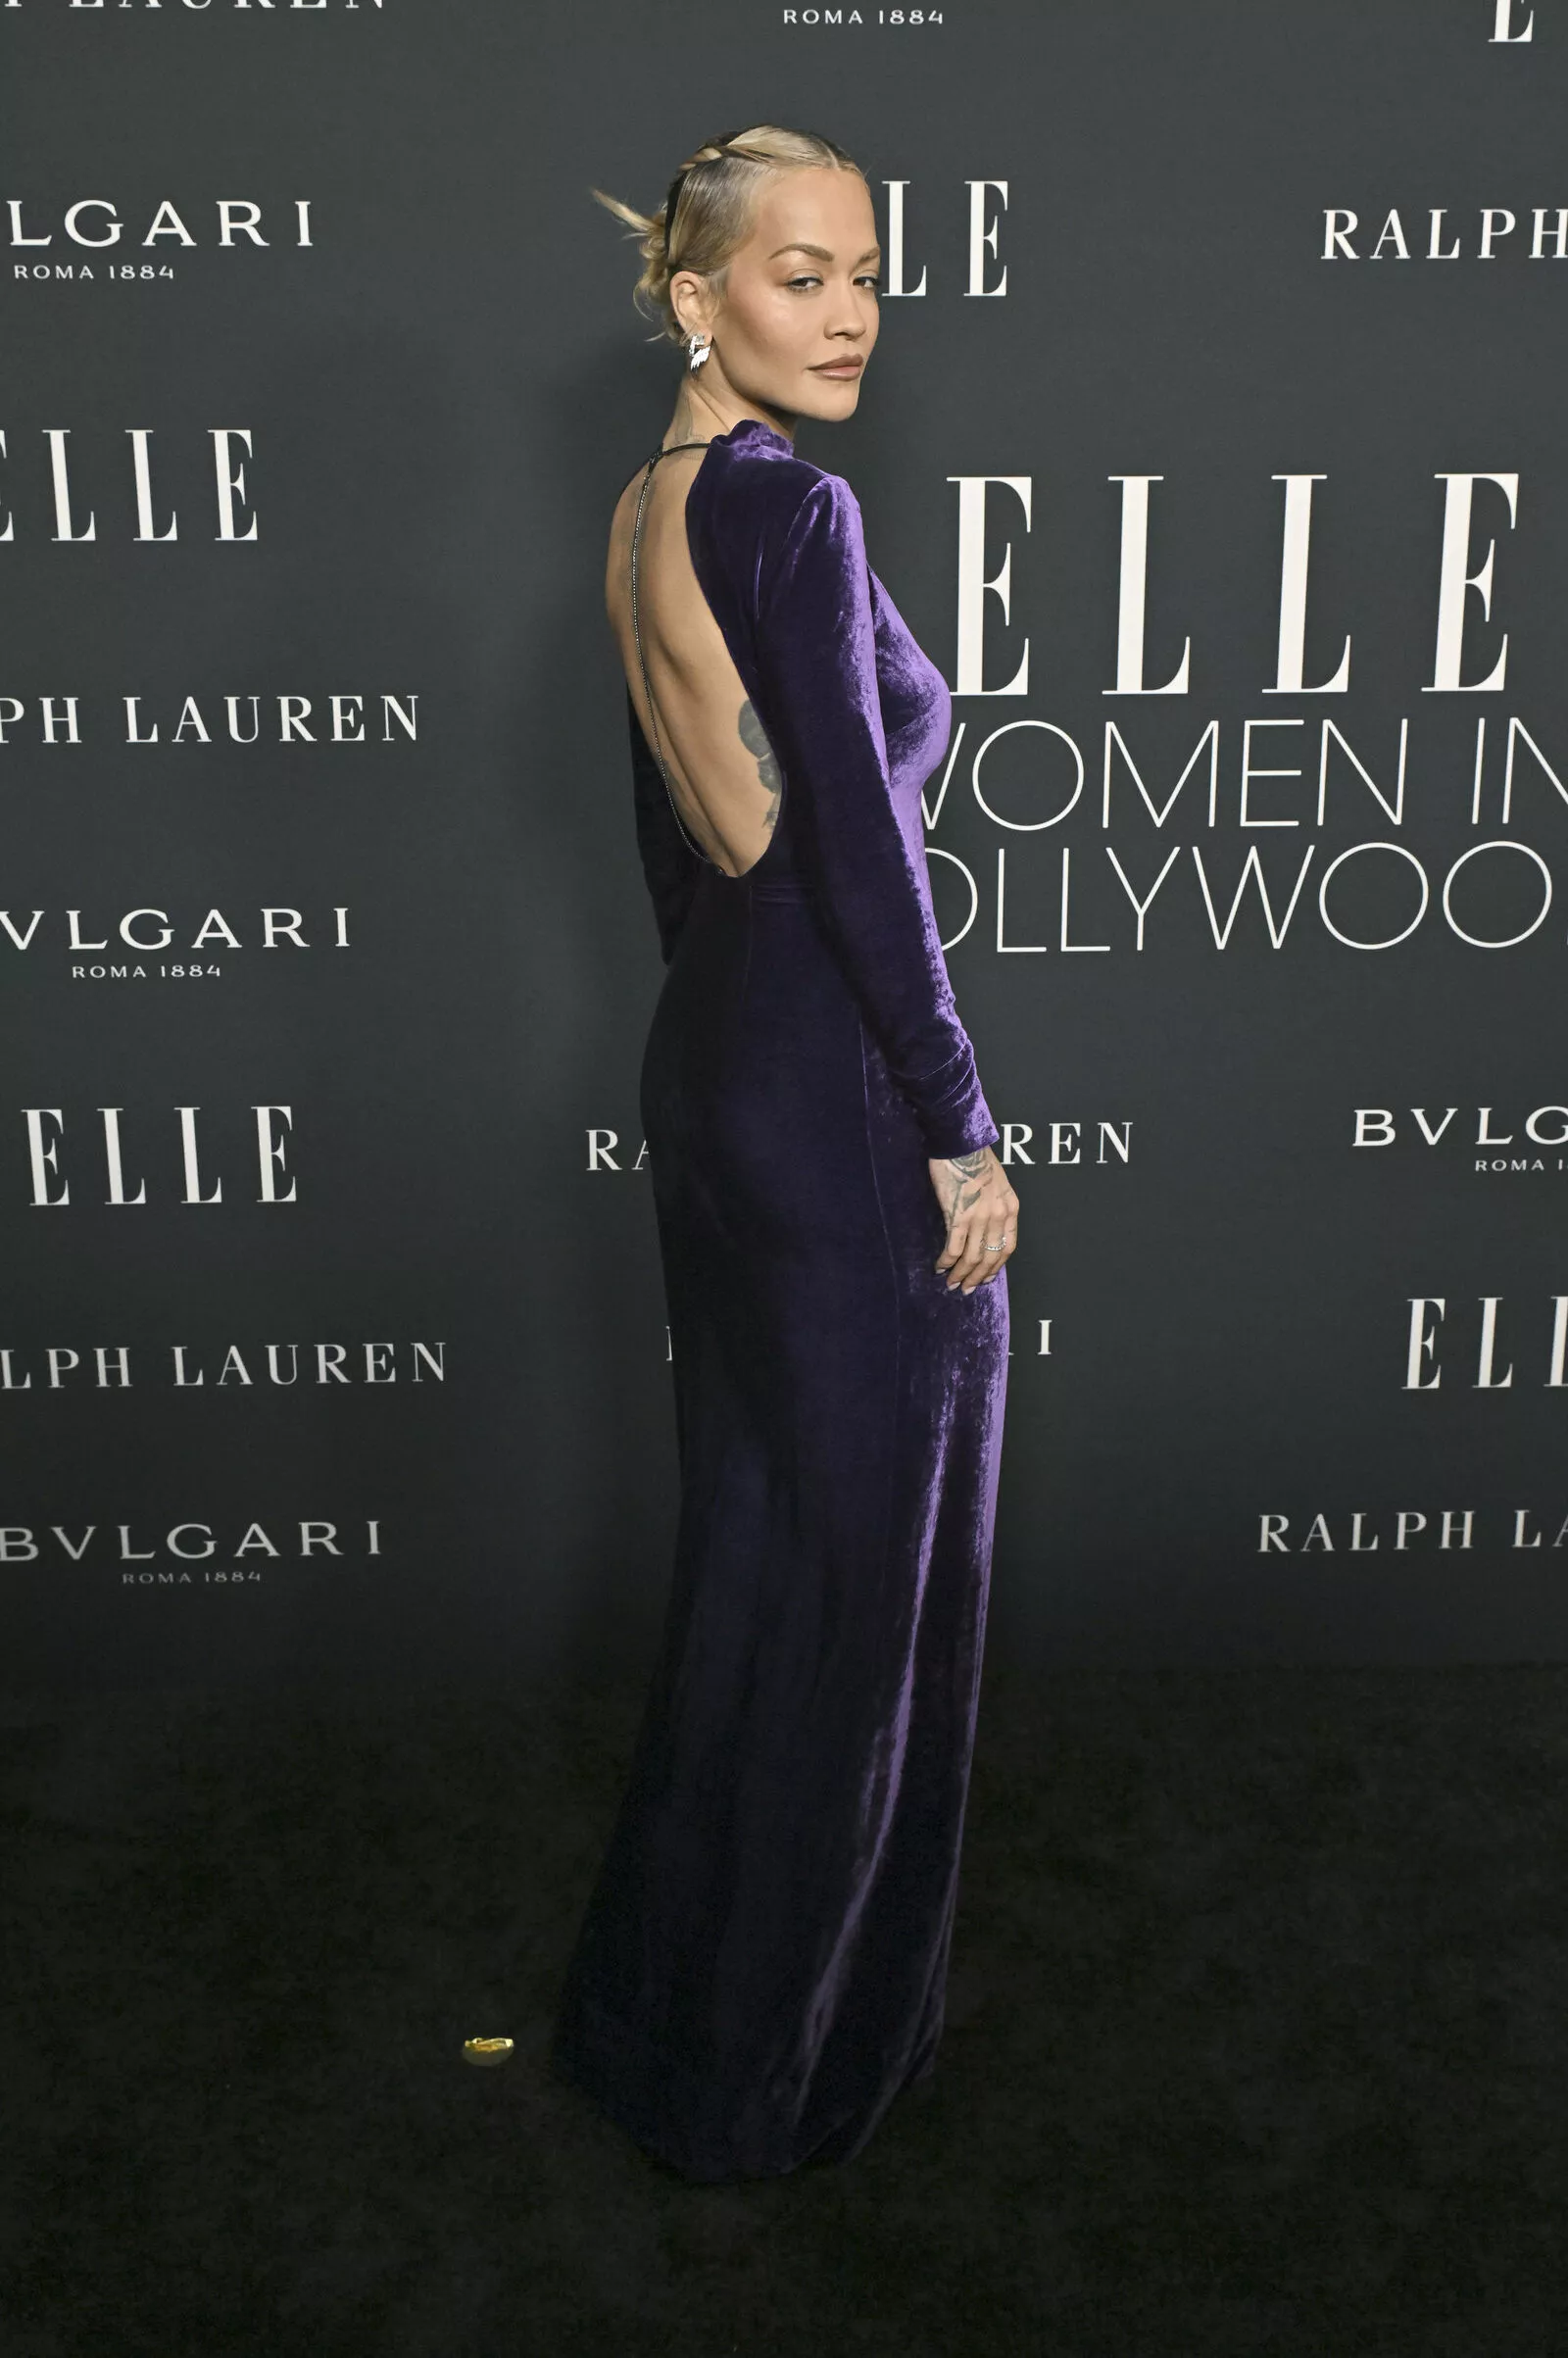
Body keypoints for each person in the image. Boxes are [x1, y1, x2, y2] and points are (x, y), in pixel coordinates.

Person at [548, 123, 1018, 2182]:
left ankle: (663, 2031)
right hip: (832, 1093)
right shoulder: (790, 510)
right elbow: (854, 853)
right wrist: (958, 1128)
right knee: (862, 1594)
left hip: (718, 1076)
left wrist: (717, 1065)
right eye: (798, 275)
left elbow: (688, 850)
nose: (848, 316)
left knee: (760, 1559)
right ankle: (786, 2071)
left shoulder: (644, 505)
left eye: (866, 275)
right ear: (695, 295)